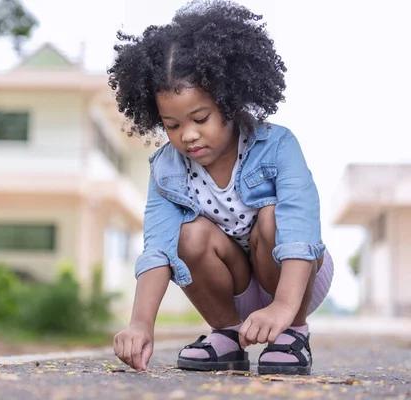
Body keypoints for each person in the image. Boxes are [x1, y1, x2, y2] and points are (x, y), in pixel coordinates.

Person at [107, 0, 334, 376]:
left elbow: (300, 228)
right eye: (172, 125)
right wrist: (141, 323)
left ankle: (292, 335)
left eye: (200, 118)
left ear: (229, 102)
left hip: (295, 278)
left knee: (272, 215)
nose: (188, 135)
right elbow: (159, 248)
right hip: (231, 287)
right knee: (187, 235)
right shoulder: (166, 168)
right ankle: (227, 334)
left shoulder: (277, 146)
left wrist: (283, 308)